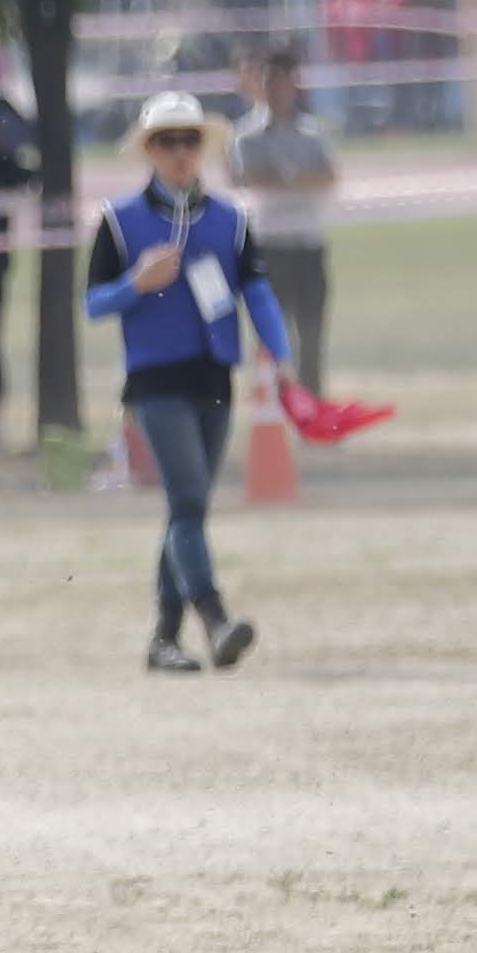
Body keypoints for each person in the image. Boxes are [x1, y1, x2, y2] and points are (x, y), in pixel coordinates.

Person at [83, 89, 289, 675]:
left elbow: (257, 293)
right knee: (190, 499)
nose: (178, 152)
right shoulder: (118, 221)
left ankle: (164, 638)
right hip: (154, 379)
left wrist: (282, 354)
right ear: (148, 149)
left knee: (185, 511)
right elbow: (92, 304)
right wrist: (135, 284)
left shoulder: (230, 220)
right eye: (166, 141)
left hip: (214, 374)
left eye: (189, 140)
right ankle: (216, 617)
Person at [228, 50, 342, 396]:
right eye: (271, 80)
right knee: (272, 333)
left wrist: (281, 178)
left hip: (308, 242)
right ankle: (271, 406)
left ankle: (311, 402)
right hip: (269, 245)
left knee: (310, 331)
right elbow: (250, 178)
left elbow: (328, 176)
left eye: (284, 80)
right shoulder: (246, 135)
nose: (278, 88)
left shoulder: (314, 132)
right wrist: (298, 179)